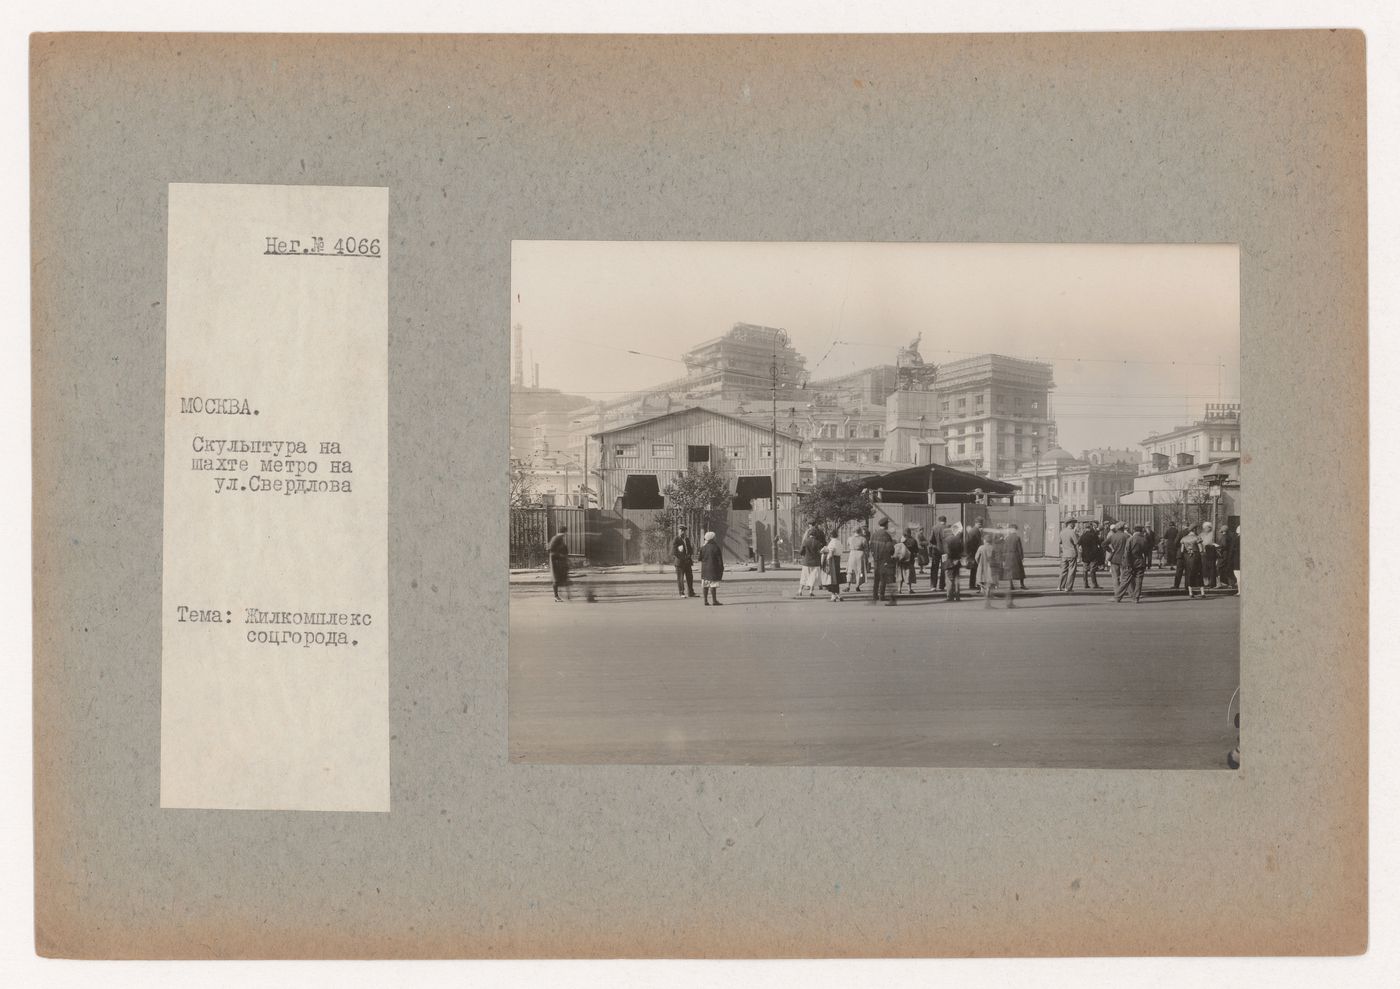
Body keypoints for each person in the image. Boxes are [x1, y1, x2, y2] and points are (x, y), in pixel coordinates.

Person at [1117, 525, 1149, 603]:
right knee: (1139, 581)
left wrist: (1127, 563)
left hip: (1130, 561)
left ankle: (1118, 596)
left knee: (1125, 580)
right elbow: (1146, 552)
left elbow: (1127, 552)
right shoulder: (1144, 539)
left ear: (1134, 531)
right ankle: (1136, 598)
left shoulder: (1130, 539)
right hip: (1140, 561)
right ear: (1141, 531)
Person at [869, 518, 898, 604]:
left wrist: (874, 555)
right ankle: (881, 595)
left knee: (876, 578)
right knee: (884, 578)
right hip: (885, 560)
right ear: (886, 525)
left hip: (876, 559)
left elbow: (871, 546)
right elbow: (890, 549)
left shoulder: (874, 534)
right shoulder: (886, 535)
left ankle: (874, 595)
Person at [795, 524, 825, 598]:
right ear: (816, 535)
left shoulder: (805, 541)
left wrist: (803, 554)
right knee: (813, 577)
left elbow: (801, 551)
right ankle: (811, 591)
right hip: (815, 563)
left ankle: (800, 591)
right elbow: (820, 552)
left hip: (806, 562)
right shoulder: (818, 543)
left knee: (804, 577)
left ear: (809, 534)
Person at [699, 530, 725, 606]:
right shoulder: (716, 548)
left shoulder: (703, 548)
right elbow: (720, 561)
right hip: (714, 569)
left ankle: (705, 601)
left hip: (705, 569)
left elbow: (699, 558)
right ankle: (714, 601)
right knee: (713, 585)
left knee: (705, 585)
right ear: (713, 538)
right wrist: (721, 570)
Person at [975, 532, 1001, 608]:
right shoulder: (993, 548)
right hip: (991, 568)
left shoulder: (981, 548)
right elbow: (997, 558)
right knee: (989, 585)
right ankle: (988, 603)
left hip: (982, 568)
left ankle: (987, 602)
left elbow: (976, 557)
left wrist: (979, 563)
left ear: (984, 541)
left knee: (983, 584)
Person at [1179, 524, 1205, 598]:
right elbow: (1200, 549)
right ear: (1194, 530)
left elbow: (1181, 550)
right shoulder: (1197, 538)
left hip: (1187, 557)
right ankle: (1202, 592)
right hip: (1196, 557)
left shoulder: (1184, 538)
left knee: (1189, 573)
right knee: (1199, 573)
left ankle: (1190, 592)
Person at [547, 525, 571, 602]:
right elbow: (550, 549)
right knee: (556, 579)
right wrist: (560, 555)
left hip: (559, 561)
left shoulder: (559, 538)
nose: (566, 534)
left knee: (563, 577)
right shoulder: (557, 538)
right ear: (564, 532)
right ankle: (556, 597)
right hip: (555, 562)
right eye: (566, 532)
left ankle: (567, 596)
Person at [671, 524, 696, 599]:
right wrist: (683, 558)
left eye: (684, 531)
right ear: (678, 531)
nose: (683, 532)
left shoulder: (687, 539)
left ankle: (691, 592)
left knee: (690, 577)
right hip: (680, 562)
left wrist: (689, 555)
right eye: (681, 530)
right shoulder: (676, 539)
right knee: (680, 578)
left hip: (687, 562)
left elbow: (690, 549)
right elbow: (674, 552)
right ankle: (681, 592)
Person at [943, 522, 965, 602]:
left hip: (949, 562)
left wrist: (949, 561)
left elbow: (946, 552)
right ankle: (957, 596)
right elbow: (962, 550)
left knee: (949, 580)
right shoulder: (958, 540)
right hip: (957, 561)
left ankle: (949, 596)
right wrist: (957, 559)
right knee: (956, 579)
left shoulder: (946, 540)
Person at [1105, 521, 1129, 593]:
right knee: (1124, 577)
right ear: (1123, 528)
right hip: (1124, 559)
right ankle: (1122, 592)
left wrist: (1111, 550)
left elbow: (1103, 544)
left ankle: (1117, 592)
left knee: (1115, 577)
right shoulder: (1127, 536)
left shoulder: (1113, 536)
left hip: (1114, 558)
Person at [821, 529, 845, 602]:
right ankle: (838, 594)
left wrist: (826, 559)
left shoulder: (832, 542)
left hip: (832, 561)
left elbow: (831, 552)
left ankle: (833, 595)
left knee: (832, 579)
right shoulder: (839, 542)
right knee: (837, 578)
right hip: (838, 560)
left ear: (830, 536)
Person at [1077, 520, 1102, 590]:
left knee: (1085, 570)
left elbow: (1078, 544)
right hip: (1093, 555)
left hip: (1085, 555)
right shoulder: (1094, 535)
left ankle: (1085, 584)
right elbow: (1099, 543)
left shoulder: (1082, 536)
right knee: (1092, 570)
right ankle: (1094, 584)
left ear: (1085, 528)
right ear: (1090, 527)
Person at [1057, 519, 1080, 593]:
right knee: (1071, 571)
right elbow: (1077, 543)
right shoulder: (1072, 532)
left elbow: (1060, 542)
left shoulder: (1062, 532)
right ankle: (1068, 587)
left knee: (1063, 570)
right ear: (1070, 524)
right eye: (1074, 523)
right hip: (1072, 554)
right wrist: (1079, 556)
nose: (1074, 525)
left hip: (1064, 554)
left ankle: (1060, 586)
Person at [1003, 522, 1027, 591]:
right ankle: (1022, 585)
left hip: (1008, 556)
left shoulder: (1007, 538)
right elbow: (1019, 548)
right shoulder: (1017, 538)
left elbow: (1004, 549)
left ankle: (1011, 586)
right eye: (1016, 529)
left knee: (1010, 571)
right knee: (1020, 571)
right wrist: (1022, 557)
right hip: (1016, 556)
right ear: (1014, 530)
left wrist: (1004, 558)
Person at [844, 526, 868, 593]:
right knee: (860, 571)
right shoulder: (863, 539)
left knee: (850, 570)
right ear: (860, 531)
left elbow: (848, 545)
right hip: (860, 554)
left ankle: (848, 585)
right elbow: (866, 548)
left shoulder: (850, 538)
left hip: (852, 554)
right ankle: (858, 585)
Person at [898, 527, 919, 594]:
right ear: (910, 533)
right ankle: (909, 589)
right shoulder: (913, 540)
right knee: (909, 574)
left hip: (901, 560)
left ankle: (899, 589)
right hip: (910, 560)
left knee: (900, 574)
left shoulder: (900, 539)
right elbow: (916, 550)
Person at [965, 518, 984, 592]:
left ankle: (972, 584)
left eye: (981, 524)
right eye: (980, 524)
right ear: (976, 523)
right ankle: (972, 585)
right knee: (974, 570)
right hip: (974, 553)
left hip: (972, 553)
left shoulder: (974, 530)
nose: (981, 525)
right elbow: (969, 543)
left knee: (974, 570)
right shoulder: (975, 531)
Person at [930, 516, 948, 592]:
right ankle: (942, 585)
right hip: (944, 552)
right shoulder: (947, 528)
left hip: (936, 551)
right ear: (945, 521)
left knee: (934, 568)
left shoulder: (934, 528)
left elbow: (931, 540)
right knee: (944, 568)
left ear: (938, 520)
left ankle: (933, 586)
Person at [1200, 522, 1219, 589]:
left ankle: (1212, 583)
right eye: (1204, 527)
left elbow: (1217, 543)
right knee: (1205, 568)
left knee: (1212, 568)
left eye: (1207, 527)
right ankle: (1206, 582)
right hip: (1204, 553)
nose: (1205, 529)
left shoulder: (1213, 534)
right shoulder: (1201, 534)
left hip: (1211, 553)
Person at [1228, 522, 1242, 595]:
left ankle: (1240, 591)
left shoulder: (1236, 540)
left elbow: (1232, 551)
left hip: (1237, 560)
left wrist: (1229, 560)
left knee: (1238, 576)